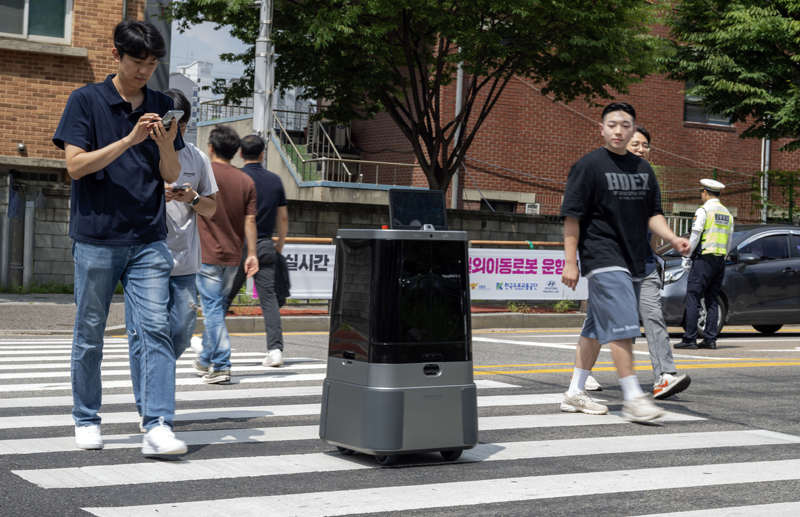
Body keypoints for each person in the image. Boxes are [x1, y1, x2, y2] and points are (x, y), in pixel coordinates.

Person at [52, 19, 188, 455]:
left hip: (149, 237)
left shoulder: (164, 104)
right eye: (137, 61)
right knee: (90, 330)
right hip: (96, 236)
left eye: (152, 64)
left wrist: (165, 142)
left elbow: (170, 174)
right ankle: (86, 417)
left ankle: (157, 424)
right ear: (116, 55)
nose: (144, 71)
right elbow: (75, 167)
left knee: (155, 329)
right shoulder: (86, 101)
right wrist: (130, 139)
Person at [559, 102, 690, 423]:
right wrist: (570, 261)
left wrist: (673, 239)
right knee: (623, 325)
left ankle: (575, 391)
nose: (619, 130)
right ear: (601, 128)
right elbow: (572, 218)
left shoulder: (643, 170)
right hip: (602, 256)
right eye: (612, 124)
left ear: (633, 129)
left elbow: (653, 214)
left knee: (596, 326)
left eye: (625, 125)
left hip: (634, 259)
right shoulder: (588, 166)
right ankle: (632, 396)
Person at [125, 89, 219, 430]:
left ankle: (154, 375)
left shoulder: (197, 159)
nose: (169, 126)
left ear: (184, 124)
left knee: (178, 334)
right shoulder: (139, 153)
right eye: (164, 119)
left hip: (184, 265)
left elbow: (211, 209)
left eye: (175, 121)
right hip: (142, 262)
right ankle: (149, 407)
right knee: (144, 336)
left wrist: (192, 196)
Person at [628, 127, 691, 399]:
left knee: (654, 317)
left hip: (644, 264)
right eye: (636, 144)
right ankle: (582, 372)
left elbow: (655, 218)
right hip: (613, 265)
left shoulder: (648, 178)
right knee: (601, 322)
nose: (641, 149)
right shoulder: (604, 176)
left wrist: (673, 240)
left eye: (645, 145)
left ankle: (664, 375)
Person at [195, 127, 259, 384]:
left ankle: (221, 364)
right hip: (233, 255)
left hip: (207, 252)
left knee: (211, 309)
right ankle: (205, 359)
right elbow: (250, 221)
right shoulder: (246, 181)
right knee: (217, 309)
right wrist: (251, 253)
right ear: (236, 151)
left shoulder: (204, 173)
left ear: (211, 147)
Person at [224, 135, 289, 367]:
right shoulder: (274, 180)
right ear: (262, 154)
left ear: (241, 153)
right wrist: (280, 242)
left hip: (237, 244)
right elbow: (282, 216)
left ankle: (211, 346)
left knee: (224, 297)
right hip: (264, 244)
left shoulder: (236, 177)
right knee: (269, 299)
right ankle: (275, 350)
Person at [674, 179, 734, 350]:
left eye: (702, 192)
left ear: (705, 192)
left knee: (693, 297)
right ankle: (710, 339)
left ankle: (690, 338)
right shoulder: (727, 213)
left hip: (703, 260)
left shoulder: (704, 210)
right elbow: (729, 240)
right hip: (719, 261)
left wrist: (686, 256)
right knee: (712, 299)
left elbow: (694, 236)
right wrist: (722, 257)